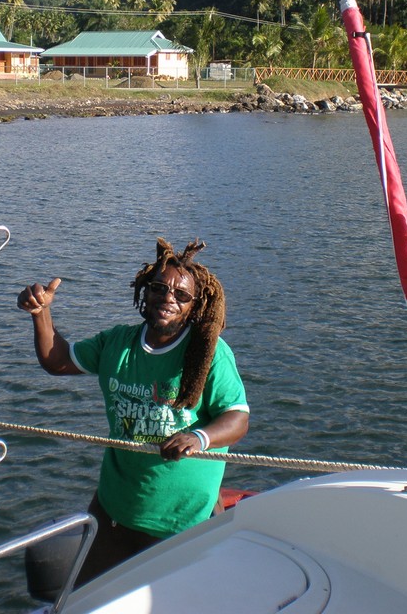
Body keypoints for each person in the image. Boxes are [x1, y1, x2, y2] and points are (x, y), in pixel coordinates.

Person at [17, 237, 249, 584]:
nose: (169, 298)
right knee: (94, 599)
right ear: (146, 291)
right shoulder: (117, 343)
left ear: (194, 305)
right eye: (160, 288)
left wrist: (198, 438)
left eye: (181, 295)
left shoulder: (210, 354)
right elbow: (58, 361)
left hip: (182, 519)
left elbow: (237, 417)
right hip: (115, 511)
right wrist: (41, 313)